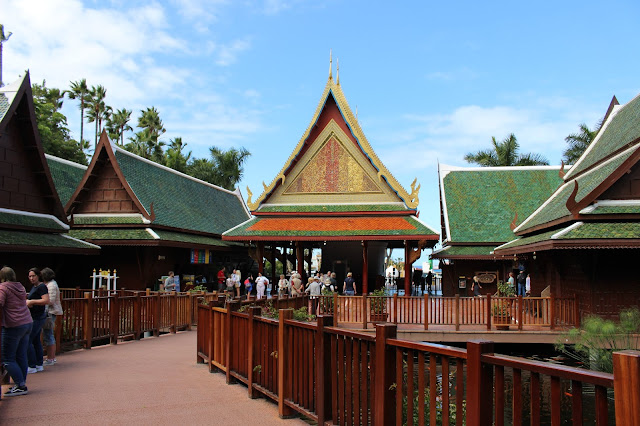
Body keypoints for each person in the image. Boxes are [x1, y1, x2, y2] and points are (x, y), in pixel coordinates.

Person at [0, 266, 33, 396]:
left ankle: (20, 385)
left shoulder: (3, 288)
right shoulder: (20, 287)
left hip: (13, 325)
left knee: (7, 358)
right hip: (26, 322)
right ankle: (21, 383)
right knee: (21, 355)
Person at [26, 268, 49, 374]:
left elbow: (46, 300)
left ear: (38, 276)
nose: (31, 278)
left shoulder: (42, 287)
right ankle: (39, 364)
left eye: (33, 276)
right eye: (30, 276)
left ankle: (31, 364)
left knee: (28, 340)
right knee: (36, 340)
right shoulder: (34, 287)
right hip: (34, 316)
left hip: (37, 317)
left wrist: (32, 302)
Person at [41, 267, 62, 366]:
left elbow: (51, 300)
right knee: (47, 334)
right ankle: (51, 357)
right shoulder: (49, 284)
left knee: (48, 334)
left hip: (50, 312)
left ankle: (51, 358)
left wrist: (39, 301)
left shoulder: (52, 285)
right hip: (48, 312)